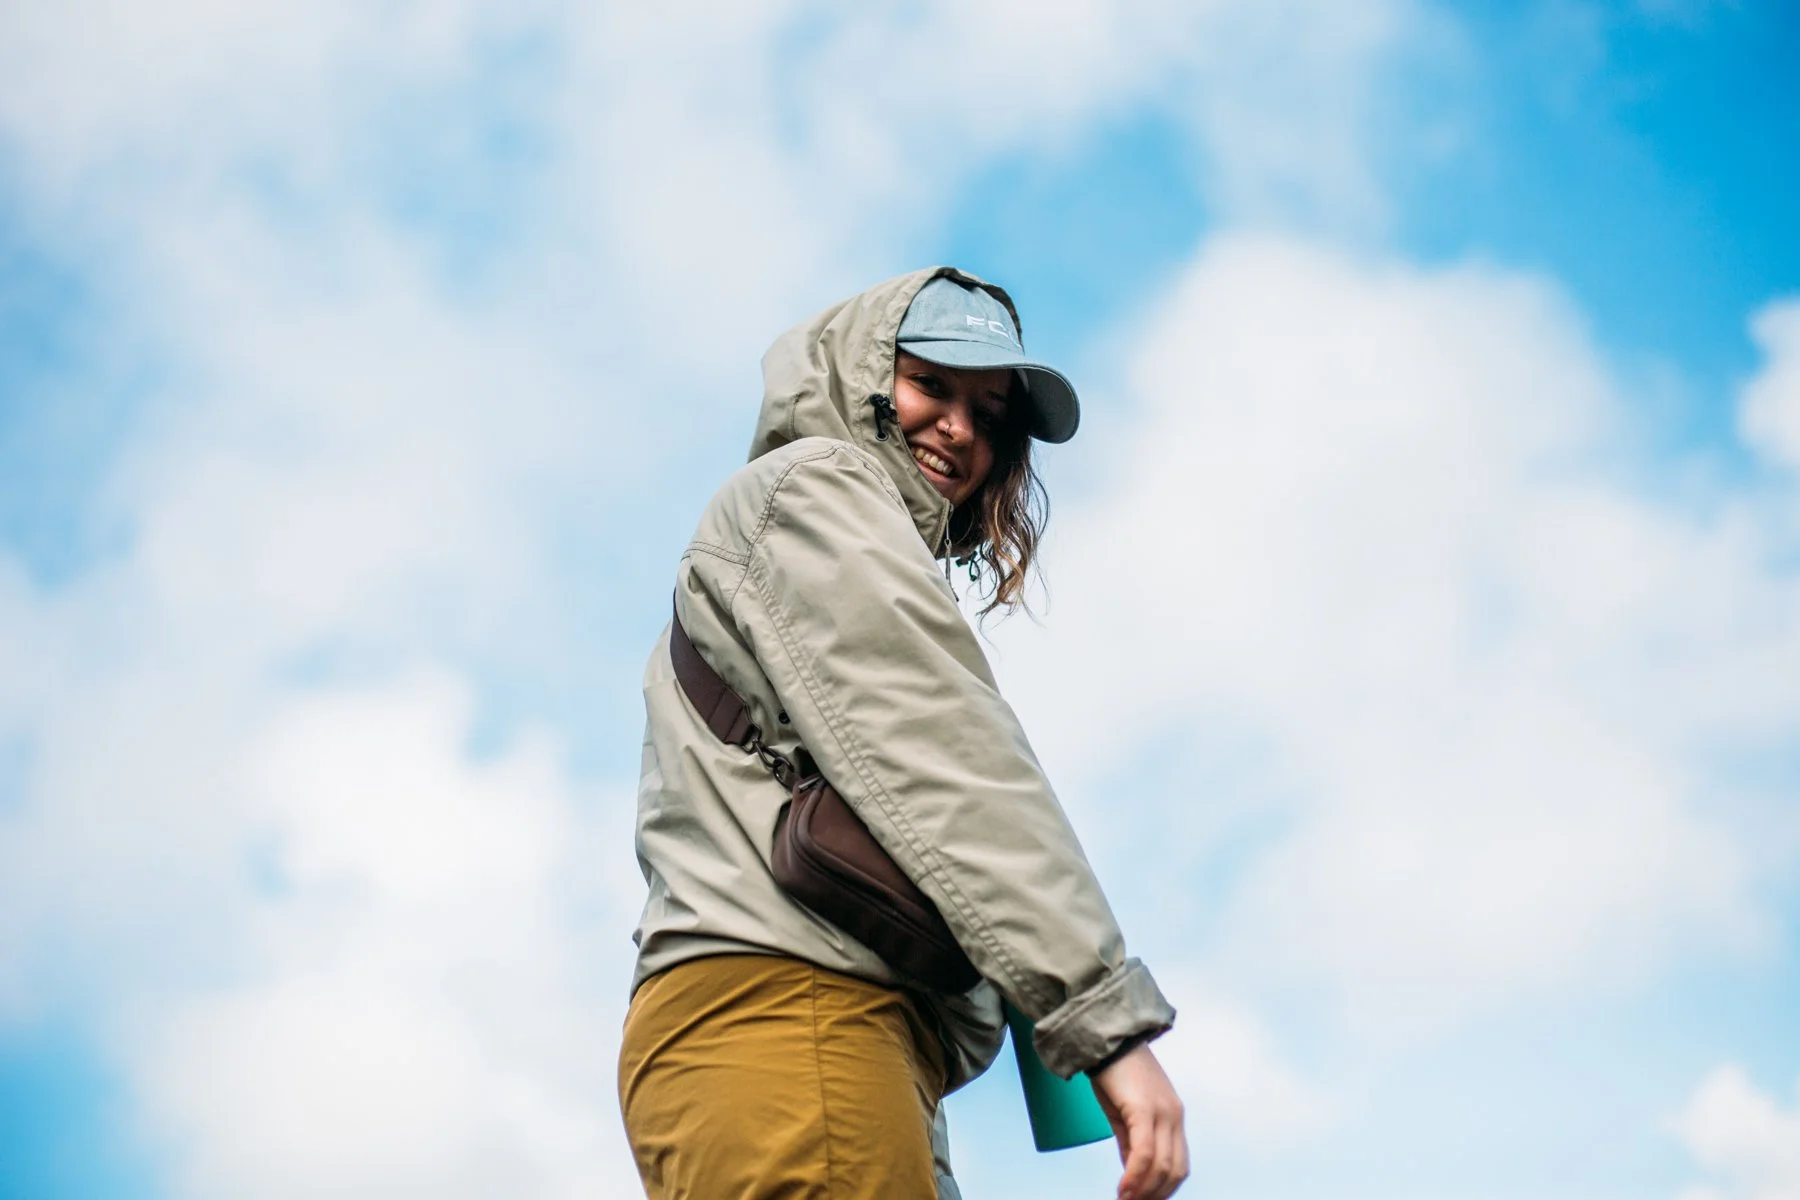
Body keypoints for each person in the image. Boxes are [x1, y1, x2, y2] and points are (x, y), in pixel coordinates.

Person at [619, 269, 1187, 1200]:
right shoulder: (814, 490)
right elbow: (946, 758)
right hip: (796, 1018)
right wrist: (1104, 1023)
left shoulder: (811, 527)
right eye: (932, 385)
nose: (961, 427)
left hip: (823, 1044)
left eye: (989, 412)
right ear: (863, 376)